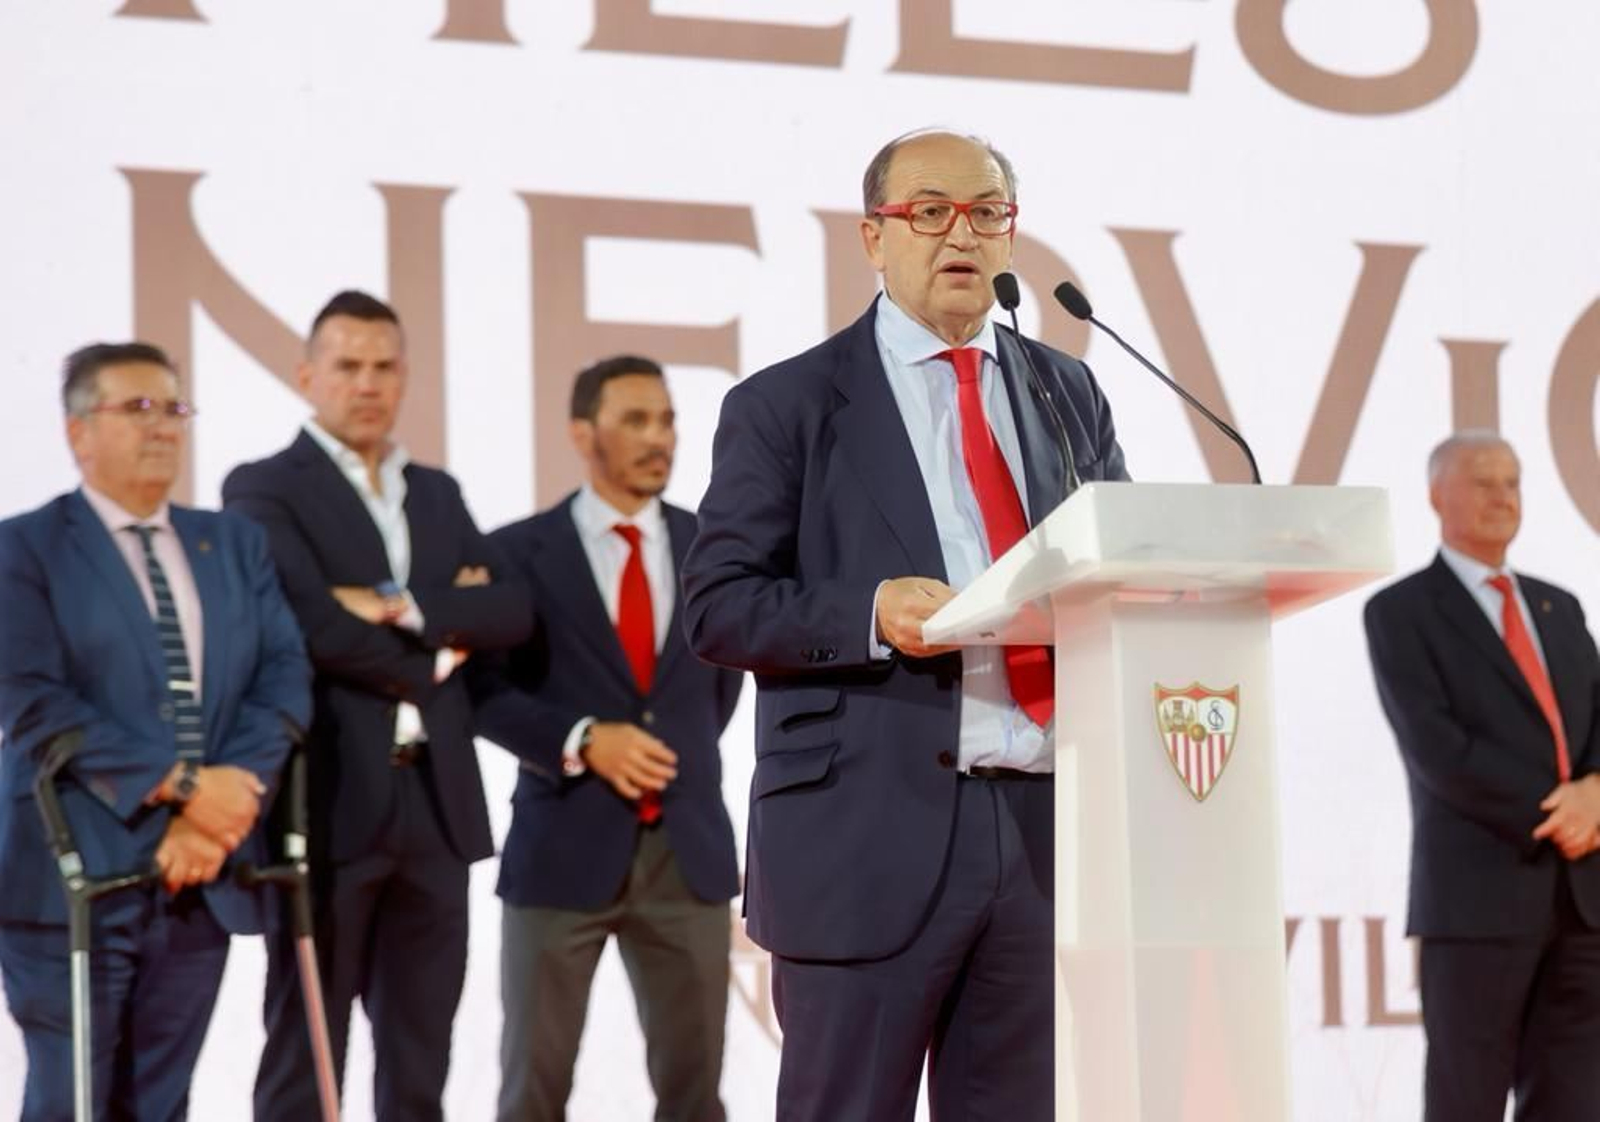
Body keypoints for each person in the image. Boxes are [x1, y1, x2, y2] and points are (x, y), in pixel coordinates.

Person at [680, 129, 1129, 1120]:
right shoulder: (789, 403)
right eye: (930, 211)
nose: (960, 234)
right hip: (864, 837)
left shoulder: (1067, 392)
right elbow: (716, 606)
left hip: (1043, 828)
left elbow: (1117, 566)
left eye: (987, 212)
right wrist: (868, 612)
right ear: (874, 238)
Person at [223, 291, 533, 1122]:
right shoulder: (263, 487)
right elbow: (309, 625)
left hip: (436, 808)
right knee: (306, 1054)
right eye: (349, 365)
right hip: (329, 800)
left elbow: (510, 609)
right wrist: (438, 644)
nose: (368, 383)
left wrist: (394, 603)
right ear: (307, 376)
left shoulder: (436, 491)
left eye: (385, 366)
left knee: (421, 1059)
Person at [0, 342, 310, 1121]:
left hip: (199, 878)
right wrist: (183, 788)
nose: (162, 426)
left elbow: (282, 675)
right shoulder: (23, 547)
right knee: (71, 1103)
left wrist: (224, 807)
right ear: (78, 432)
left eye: (173, 408)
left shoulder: (232, 543)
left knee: (162, 1104)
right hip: (72, 876)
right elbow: (29, 698)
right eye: (137, 408)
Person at [471, 355, 742, 1121]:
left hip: (687, 852)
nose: (660, 438)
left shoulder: (714, 549)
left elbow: (719, 687)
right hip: (560, 850)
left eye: (667, 420)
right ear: (582, 434)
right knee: (533, 1094)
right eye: (636, 420)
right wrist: (582, 739)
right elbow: (480, 692)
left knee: (696, 1098)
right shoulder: (516, 552)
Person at [1364, 430, 1600, 1122]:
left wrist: (1596, 794)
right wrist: (1565, 811)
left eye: (1513, 482)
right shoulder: (1401, 611)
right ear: (1437, 496)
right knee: (1465, 1101)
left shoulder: (1561, 607)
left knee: (1577, 1100)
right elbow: (1439, 750)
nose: (1503, 497)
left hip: (1583, 902)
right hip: (1476, 903)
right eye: (1483, 482)